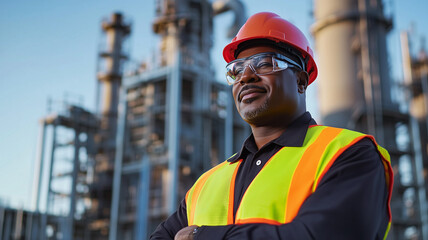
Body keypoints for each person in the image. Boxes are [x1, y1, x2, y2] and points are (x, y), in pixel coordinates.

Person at [150, 12, 393, 240]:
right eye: (237, 70)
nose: (245, 76)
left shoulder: (348, 153)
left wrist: (202, 236)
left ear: (300, 81)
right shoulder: (205, 184)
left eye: (264, 63)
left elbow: (316, 234)